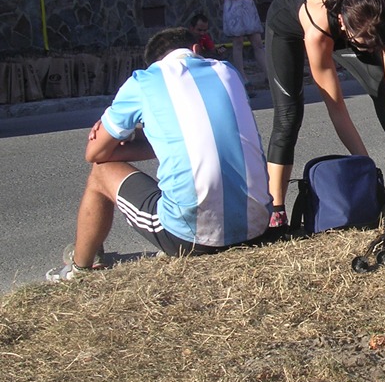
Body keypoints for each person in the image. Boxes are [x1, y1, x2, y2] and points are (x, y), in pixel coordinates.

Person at [47, 27, 273, 281]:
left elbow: (95, 153)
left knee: (100, 173)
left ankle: (79, 269)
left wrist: (128, 137)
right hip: (258, 225)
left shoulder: (143, 81)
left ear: (154, 62)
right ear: (196, 49)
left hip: (192, 237)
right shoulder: (228, 72)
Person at [264, 0, 385, 228]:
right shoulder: (319, 28)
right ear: (343, 24)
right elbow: (337, 109)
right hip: (286, 24)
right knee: (289, 115)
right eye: (364, 45)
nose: (370, 50)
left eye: (374, 45)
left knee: (382, 89)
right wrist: (368, 173)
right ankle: (275, 210)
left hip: (355, 21)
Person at [220, 0, 266, 86]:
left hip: (250, 12)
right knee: (238, 44)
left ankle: (268, 74)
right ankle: (242, 77)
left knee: (258, 43)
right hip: (234, 13)